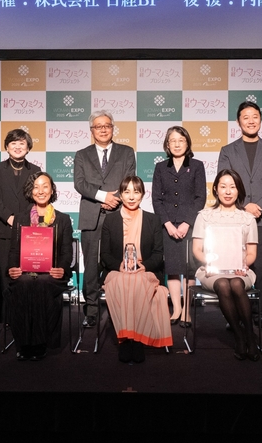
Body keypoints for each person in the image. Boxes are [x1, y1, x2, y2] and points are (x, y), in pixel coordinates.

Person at [218, 101, 262, 331]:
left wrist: (260, 207)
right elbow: (224, 180)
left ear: (260, 120)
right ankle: (235, 315)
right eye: (245, 117)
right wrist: (244, 206)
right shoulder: (228, 151)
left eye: (255, 116)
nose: (251, 121)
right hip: (236, 218)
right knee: (235, 267)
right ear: (238, 122)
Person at [74, 110, 136, 329]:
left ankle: (118, 309)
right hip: (91, 216)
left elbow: (130, 180)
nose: (103, 129)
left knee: (117, 263)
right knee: (91, 266)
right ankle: (91, 310)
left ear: (113, 128)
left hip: (119, 215)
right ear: (91, 130)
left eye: (107, 125)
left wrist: (115, 199)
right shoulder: (81, 155)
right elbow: (80, 184)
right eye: (98, 126)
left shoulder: (126, 152)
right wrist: (103, 197)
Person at [100, 176, 170, 363]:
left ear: (143, 194)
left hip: (145, 271)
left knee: (137, 282)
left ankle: (136, 339)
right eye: (127, 192)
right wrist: (120, 265)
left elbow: (158, 254)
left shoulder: (153, 220)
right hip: (117, 271)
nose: (131, 197)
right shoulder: (110, 220)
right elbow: (104, 254)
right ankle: (125, 340)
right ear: (121, 195)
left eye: (136, 192)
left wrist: (143, 266)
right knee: (124, 281)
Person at [192, 169, 260, 361]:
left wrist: (243, 264)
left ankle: (250, 336)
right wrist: (210, 261)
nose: (228, 191)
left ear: (239, 190)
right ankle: (239, 337)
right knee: (223, 283)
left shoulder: (248, 218)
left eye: (232, 187)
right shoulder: (204, 216)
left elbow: (252, 253)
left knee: (236, 283)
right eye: (223, 186)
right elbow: (197, 249)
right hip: (212, 271)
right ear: (215, 189)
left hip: (240, 270)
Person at [5, 172, 73, 361]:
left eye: (45, 186)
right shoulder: (20, 218)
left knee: (42, 283)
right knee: (23, 283)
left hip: (51, 274)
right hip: (25, 272)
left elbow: (67, 252)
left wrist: (62, 269)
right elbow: (14, 250)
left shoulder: (63, 219)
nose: (40, 191)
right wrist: (12, 267)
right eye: (36, 187)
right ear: (30, 191)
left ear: (52, 190)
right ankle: (23, 343)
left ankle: (40, 342)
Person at [152, 126, 206, 328]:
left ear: (187, 143)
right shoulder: (160, 167)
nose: (176, 144)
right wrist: (167, 224)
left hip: (190, 226)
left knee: (189, 269)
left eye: (181, 140)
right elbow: (156, 199)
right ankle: (176, 309)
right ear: (167, 144)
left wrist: (186, 223)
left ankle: (187, 311)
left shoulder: (197, 166)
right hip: (167, 226)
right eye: (172, 140)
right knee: (173, 269)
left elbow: (200, 198)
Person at [0, 129, 41, 323]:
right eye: (13, 143)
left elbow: (37, 197)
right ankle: (5, 316)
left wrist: (23, 220)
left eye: (22, 143)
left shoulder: (35, 170)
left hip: (27, 230)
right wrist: (9, 217)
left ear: (28, 147)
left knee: (25, 273)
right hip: (3, 229)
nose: (18, 147)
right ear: (7, 147)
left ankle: (24, 314)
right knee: (4, 274)